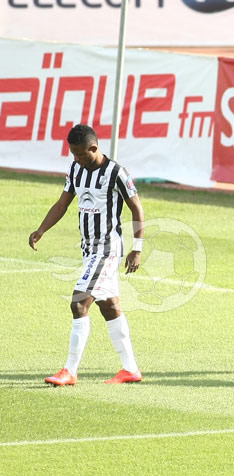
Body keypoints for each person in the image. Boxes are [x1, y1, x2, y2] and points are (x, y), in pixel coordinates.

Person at [29, 124, 144, 386]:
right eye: (73, 154)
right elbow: (63, 203)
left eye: (81, 154)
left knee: (79, 302)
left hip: (107, 248)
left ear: (94, 147)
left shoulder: (116, 173)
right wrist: (41, 229)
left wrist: (137, 248)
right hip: (88, 249)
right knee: (109, 306)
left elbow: (137, 209)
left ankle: (70, 370)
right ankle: (130, 369)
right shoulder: (75, 169)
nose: (77, 158)